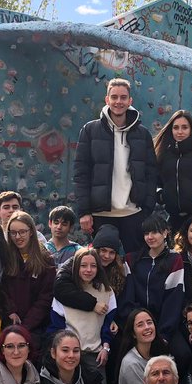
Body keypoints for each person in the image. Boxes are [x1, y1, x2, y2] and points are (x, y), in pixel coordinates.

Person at [73, 77, 159, 255]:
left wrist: (147, 208)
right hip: (101, 214)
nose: (118, 102)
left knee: (134, 265)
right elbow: (81, 174)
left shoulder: (142, 134)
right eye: (114, 97)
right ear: (107, 100)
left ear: (130, 101)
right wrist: (84, 212)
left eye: (123, 97)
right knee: (102, 267)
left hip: (134, 214)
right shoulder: (90, 130)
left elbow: (151, 173)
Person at [119, 215, 188, 372]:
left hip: (164, 323)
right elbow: (128, 295)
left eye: (154, 232)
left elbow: (174, 299)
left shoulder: (174, 259)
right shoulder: (132, 259)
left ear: (165, 233)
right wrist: (136, 323)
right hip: (136, 323)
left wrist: (163, 334)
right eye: (146, 233)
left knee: (182, 354)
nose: (150, 237)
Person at [48, 247, 118, 373]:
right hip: (68, 355)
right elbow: (56, 327)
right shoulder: (65, 293)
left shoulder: (107, 291)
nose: (88, 270)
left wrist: (106, 347)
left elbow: (107, 325)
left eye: (93, 266)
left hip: (95, 355)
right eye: (83, 265)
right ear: (76, 267)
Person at [0, 210, 56, 344]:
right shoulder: (7, 258)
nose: (18, 237)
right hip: (10, 321)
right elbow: (3, 290)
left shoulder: (45, 259)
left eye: (22, 232)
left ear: (31, 231)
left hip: (36, 326)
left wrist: (25, 327)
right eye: (13, 233)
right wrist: (10, 311)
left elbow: (45, 298)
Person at [116, 308, 172, 384]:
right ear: (133, 334)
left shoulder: (159, 352)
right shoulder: (130, 363)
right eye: (140, 325)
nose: (147, 327)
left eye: (149, 322)